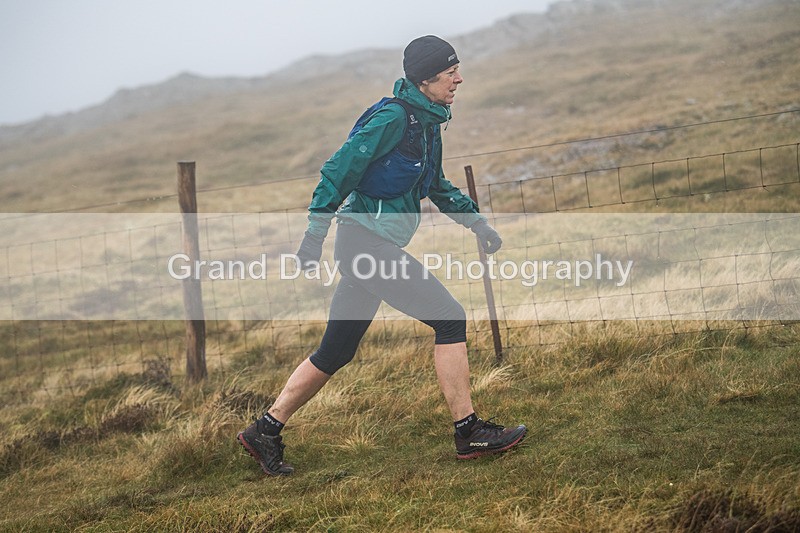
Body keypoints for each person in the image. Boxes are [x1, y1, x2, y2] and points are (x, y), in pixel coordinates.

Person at [238, 35, 526, 476]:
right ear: (426, 79)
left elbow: (435, 184)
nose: (459, 79)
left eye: (457, 71)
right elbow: (338, 171)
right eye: (451, 73)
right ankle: (468, 431)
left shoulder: (427, 125)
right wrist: (314, 237)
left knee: (335, 351)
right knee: (450, 318)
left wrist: (477, 223)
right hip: (364, 246)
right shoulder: (392, 119)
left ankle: (265, 430)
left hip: (369, 246)